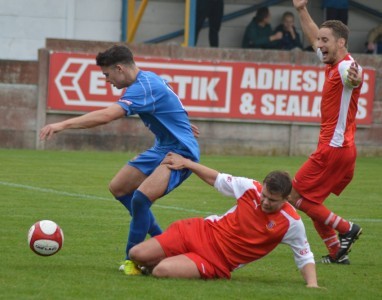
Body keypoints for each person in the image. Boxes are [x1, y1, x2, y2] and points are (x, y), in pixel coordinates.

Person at [39, 45, 200, 275]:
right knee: (119, 187)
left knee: (141, 199)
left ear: (119, 68)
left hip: (181, 152)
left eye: (107, 75)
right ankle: (163, 242)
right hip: (162, 148)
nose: (107, 80)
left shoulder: (143, 87)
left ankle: (132, 261)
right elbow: (170, 100)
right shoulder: (148, 80)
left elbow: (106, 116)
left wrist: (61, 124)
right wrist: (181, 122)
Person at [128, 152, 320, 287]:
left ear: (286, 200)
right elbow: (216, 179)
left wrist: (312, 284)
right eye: (265, 195)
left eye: (273, 200)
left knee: (162, 271)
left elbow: (304, 255)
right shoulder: (250, 188)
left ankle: (165, 263)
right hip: (200, 230)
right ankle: (163, 260)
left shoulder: (291, 223)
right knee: (136, 253)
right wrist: (187, 163)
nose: (266, 202)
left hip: (216, 260)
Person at [292, 0, 363, 265]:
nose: (319, 44)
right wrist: (301, 10)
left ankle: (347, 229)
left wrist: (356, 80)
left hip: (333, 150)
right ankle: (336, 252)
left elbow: (355, 77)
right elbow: (313, 36)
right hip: (341, 149)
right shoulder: (333, 62)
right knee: (313, 203)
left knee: (294, 195)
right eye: (319, 40)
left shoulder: (346, 67)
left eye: (325, 40)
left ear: (341, 42)